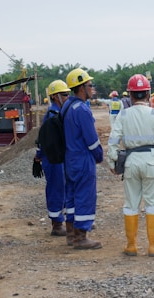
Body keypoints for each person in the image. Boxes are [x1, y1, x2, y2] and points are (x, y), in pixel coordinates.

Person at [107, 74, 154, 257]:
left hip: (131, 163)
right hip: (151, 162)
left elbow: (113, 141)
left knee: (131, 204)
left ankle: (131, 245)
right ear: (148, 94)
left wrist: (112, 161)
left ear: (130, 95)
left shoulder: (123, 115)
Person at [64, 68, 104, 250]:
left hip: (70, 160)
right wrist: (99, 155)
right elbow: (92, 139)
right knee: (85, 197)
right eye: (89, 85)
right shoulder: (82, 110)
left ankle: (71, 234)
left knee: (72, 197)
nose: (92, 88)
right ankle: (81, 237)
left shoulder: (67, 107)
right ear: (81, 88)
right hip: (82, 160)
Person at [34, 80, 70, 236]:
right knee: (56, 189)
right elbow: (45, 139)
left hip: (59, 157)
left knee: (64, 188)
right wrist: (39, 156)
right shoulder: (52, 115)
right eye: (64, 95)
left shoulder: (59, 113)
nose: (67, 97)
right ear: (55, 97)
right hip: (53, 159)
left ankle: (68, 221)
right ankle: (56, 225)